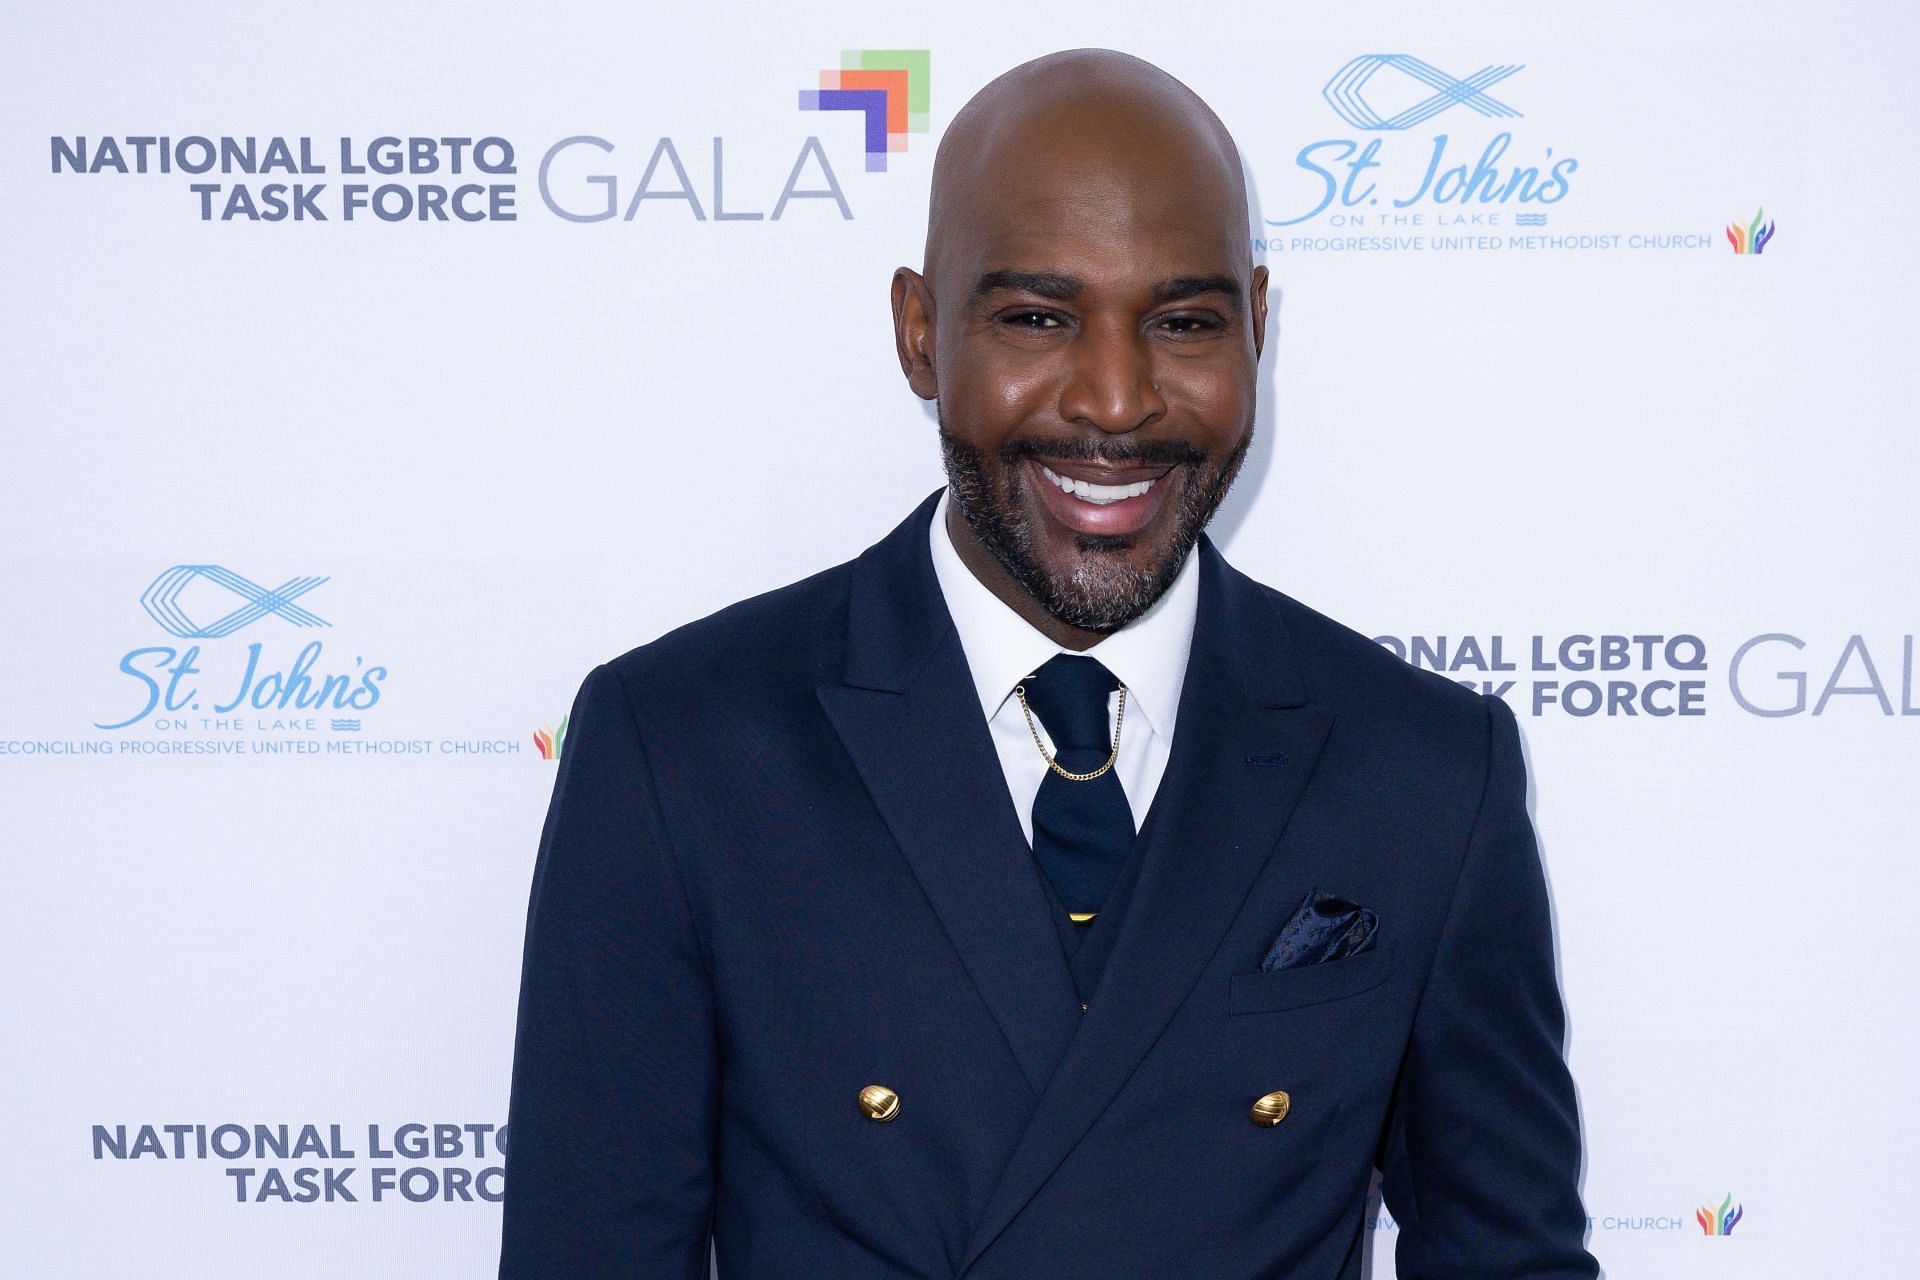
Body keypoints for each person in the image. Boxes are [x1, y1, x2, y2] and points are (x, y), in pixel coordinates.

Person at [498, 48, 1598, 1280]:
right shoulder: (682, 746)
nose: (1118, 401)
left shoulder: (1428, 772)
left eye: (1184, 321)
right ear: (921, 333)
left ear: (1259, 326)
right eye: (1038, 318)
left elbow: (1513, 1259)